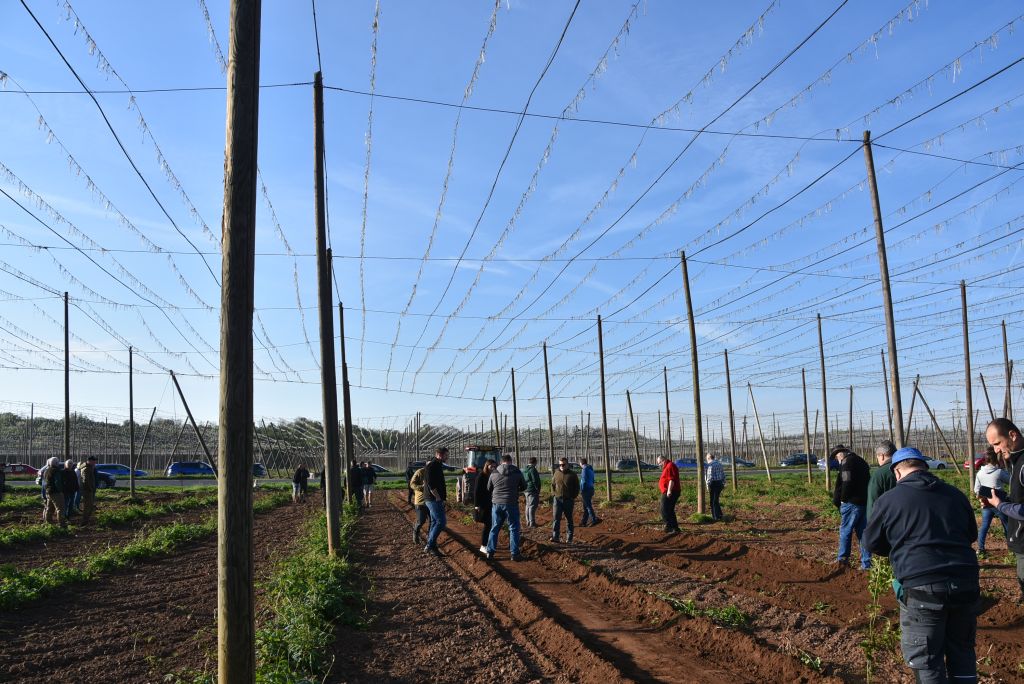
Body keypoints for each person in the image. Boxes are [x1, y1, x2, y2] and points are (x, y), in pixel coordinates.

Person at [864, 447, 979, 684]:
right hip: (965, 583)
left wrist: (899, 550)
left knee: (927, 660)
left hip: (922, 586)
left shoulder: (889, 500)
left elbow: (872, 542)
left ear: (897, 472)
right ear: (924, 466)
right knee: (962, 653)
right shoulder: (955, 495)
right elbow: (970, 534)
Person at [983, 417, 1024, 602]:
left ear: (1013, 435)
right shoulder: (1016, 461)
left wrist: (1000, 505)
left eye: (998, 443)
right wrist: (1000, 500)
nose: (996, 450)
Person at [831, 444, 871, 570]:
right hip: (864, 502)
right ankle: (867, 563)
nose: (838, 461)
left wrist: (842, 499)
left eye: (837, 458)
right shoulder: (862, 461)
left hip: (851, 503)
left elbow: (846, 482)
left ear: (840, 455)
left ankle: (843, 560)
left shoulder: (847, 463)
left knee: (845, 531)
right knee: (863, 533)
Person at [487, 453, 527, 561]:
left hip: (496, 504)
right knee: (513, 527)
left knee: (495, 527)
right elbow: (524, 486)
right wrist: (515, 488)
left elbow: (489, 487)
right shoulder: (517, 471)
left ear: (501, 462)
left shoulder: (494, 472)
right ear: (511, 461)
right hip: (511, 503)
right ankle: (514, 554)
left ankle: (490, 552)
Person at [975, 446, 1010, 559]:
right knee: (1007, 526)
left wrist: (982, 498)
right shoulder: (999, 472)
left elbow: (976, 490)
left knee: (984, 526)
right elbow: (1011, 481)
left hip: (986, 503)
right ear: (996, 459)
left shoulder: (979, 473)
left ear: (985, 460)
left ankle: (980, 549)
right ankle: (1012, 548)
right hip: (1000, 503)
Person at [423, 446, 449, 556]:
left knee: (434, 522)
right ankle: (429, 544)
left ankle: (432, 546)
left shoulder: (438, 465)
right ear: (440, 454)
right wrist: (437, 496)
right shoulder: (432, 466)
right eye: (446, 455)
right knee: (441, 522)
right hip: (433, 499)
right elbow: (430, 484)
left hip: (436, 499)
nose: (448, 457)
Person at [867, 439, 897, 519]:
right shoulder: (905, 468)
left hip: (886, 520)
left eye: (877, 457)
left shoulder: (879, 474)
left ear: (882, 456)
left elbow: (873, 502)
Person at [551, 457, 579, 543]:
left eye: (563, 464)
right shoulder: (556, 473)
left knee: (569, 519)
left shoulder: (572, 475)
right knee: (556, 518)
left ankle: (569, 538)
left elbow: (577, 487)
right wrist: (554, 494)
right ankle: (555, 537)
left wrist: (572, 497)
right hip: (558, 500)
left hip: (568, 500)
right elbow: (552, 485)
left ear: (567, 464)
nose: (561, 466)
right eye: (560, 464)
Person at [474, 459, 497, 555]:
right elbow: (476, 492)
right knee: (488, 524)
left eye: (494, 467)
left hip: (491, 503)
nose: (493, 468)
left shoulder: (493, 476)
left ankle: (487, 544)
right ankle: (483, 546)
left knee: (490, 525)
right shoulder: (481, 476)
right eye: (491, 466)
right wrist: (476, 505)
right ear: (486, 466)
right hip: (483, 504)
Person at [658, 454, 681, 533]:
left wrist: (669, 490)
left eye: (659, 463)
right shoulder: (667, 466)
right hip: (670, 491)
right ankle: (675, 528)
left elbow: (672, 479)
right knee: (670, 509)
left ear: (663, 461)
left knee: (664, 508)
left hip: (671, 491)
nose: (659, 465)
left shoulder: (670, 466)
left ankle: (668, 526)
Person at [409, 465, 430, 545]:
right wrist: (422, 487)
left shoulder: (434, 472)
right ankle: (416, 534)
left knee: (432, 521)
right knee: (421, 521)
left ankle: (430, 537)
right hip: (421, 501)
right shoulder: (420, 472)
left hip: (431, 501)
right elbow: (412, 484)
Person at [42, 457, 66, 527]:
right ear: (56, 463)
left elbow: (44, 482)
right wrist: (60, 490)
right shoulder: (56, 471)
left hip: (49, 492)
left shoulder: (47, 470)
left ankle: (48, 522)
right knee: (60, 508)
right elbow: (57, 482)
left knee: (49, 508)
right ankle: (61, 524)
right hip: (56, 492)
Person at [579, 458, 600, 527]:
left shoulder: (584, 470)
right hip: (591, 488)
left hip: (586, 490)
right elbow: (593, 480)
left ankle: (594, 519)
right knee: (585, 506)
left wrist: (582, 489)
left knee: (588, 506)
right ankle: (584, 521)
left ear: (581, 463)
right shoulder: (590, 469)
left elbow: (584, 481)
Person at [705, 453, 726, 521]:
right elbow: (723, 474)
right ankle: (720, 515)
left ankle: (715, 517)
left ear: (709, 458)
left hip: (714, 484)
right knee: (716, 500)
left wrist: (708, 485)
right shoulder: (719, 464)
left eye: (706, 459)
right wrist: (723, 483)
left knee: (713, 501)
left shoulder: (710, 465)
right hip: (720, 483)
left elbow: (709, 476)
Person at [523, 456, 541, 528]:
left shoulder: (525, 469)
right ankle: (532, 523)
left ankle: (528, 521)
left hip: (526, 490)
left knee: (528, 506)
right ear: (535, 462)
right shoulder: (533, 470)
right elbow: (535, 481)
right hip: (532, 490)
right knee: (532, 506)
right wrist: (538, 489)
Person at [80, 455, 97, 524]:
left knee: (90, 506)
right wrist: (90, 489)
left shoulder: (90, 468)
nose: (95, 462)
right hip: (87, 491)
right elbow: (86, 481)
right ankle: (84, 521)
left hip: (90, 490)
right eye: (94, 461)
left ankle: (86, 520)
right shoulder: (86, 469)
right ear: (90, 461)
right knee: (87, 506)